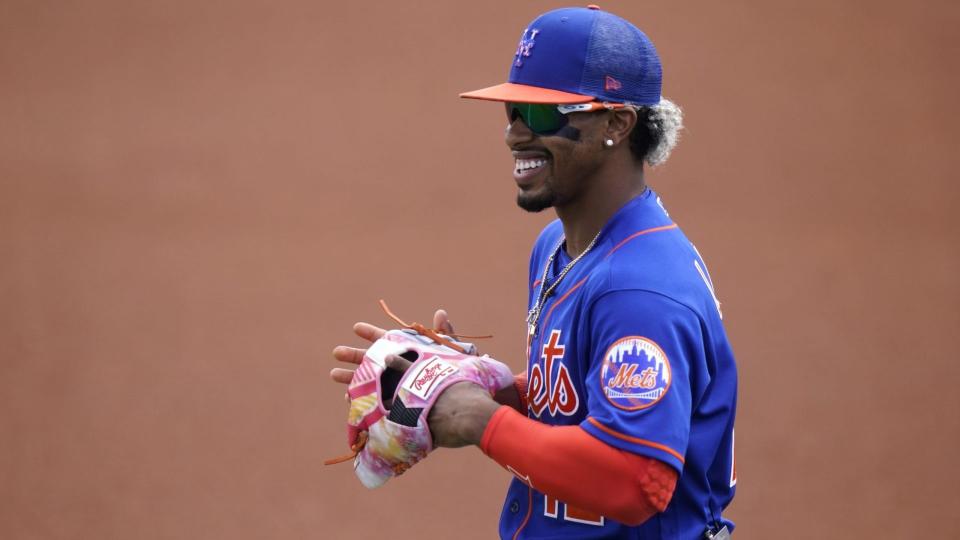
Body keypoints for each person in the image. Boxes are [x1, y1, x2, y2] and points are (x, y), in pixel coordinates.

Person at [331, 5, 738, 539]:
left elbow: (636, 482)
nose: (516, 135)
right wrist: (485, 387)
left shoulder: (639, 288)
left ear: (618, 122)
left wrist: (478, 420)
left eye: (545, 114)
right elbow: (589, 406)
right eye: (515, 110)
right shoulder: (557, 247)